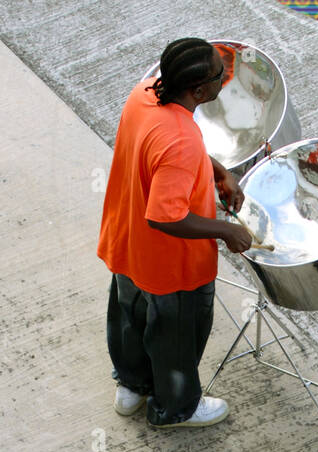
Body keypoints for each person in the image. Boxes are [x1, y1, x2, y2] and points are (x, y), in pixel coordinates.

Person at [98, 38, 254, 429]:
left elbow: (162, 151)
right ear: (199, 90)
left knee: (130, 316)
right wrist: (226, 230)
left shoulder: (144, 94)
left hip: (128, 243)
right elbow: (165, 217)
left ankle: (132, 387)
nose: (226, 79)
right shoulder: (181, 140)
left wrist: (217, 171)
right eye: (221, 75)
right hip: (171, 266)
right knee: (176, 338)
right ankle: (175, 408)